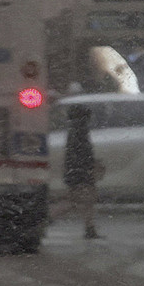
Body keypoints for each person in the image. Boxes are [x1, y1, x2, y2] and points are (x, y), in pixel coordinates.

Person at [62, 103, 101, 240]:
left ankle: (90, 228)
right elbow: (84, 152)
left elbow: (74, 153)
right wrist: (90, 168)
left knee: (78, 200)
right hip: (81, 172)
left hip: (75, 171)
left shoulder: (74, 129)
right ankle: (89, 229)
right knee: (84, 200)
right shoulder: (81, 130)